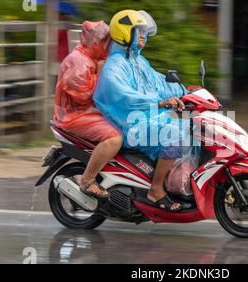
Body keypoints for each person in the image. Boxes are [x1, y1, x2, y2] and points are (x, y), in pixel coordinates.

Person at [94, 10, 190, 211]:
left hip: (148, 117)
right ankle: (155, 190)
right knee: (173, 135)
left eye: (145, 31)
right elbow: (125, 96)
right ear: (125, 33)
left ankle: (176, 181)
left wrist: (186, 90)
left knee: (191, 124)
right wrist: (159, 102)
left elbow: (159, 83)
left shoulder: (138, 61)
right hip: (131, 123)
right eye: (139, 31)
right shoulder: (115, 66)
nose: (143, 35)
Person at [54, 20, 122, 198]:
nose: (108, 47)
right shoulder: (78, 61)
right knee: (114, 138)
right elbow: (83, 94)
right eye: (105, 42)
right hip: (75, 115)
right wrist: (101, 75)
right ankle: (87, 179)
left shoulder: (94, 58)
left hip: (88, 111)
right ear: (95, 42)